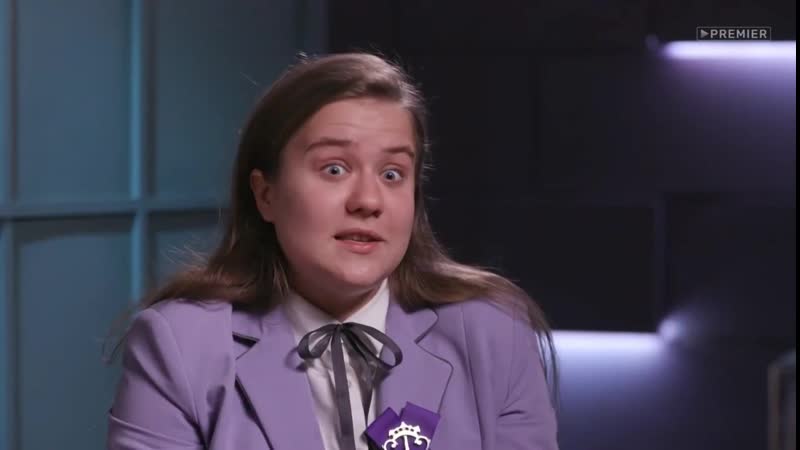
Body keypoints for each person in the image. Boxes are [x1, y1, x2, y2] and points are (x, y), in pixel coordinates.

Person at [106, 52, 559, 450]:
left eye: (392, 174)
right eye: (334, 169)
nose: (368, 201)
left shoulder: (492, 334)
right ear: (266, 195)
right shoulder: (181, 344)